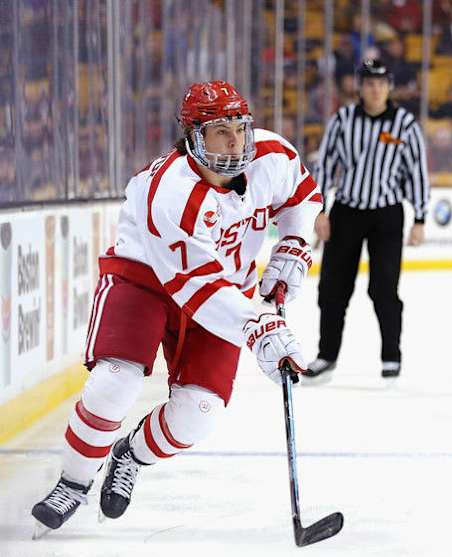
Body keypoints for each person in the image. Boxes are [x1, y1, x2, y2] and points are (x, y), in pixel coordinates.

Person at [31, 80, 322, 533]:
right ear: (192, 137)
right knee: (116, 382)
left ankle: (129, 454)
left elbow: (301, 198)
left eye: (240, 129)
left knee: (198, 415)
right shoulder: (169, 192)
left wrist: (292, 247)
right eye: (219, 132)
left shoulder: (273, 156)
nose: (235, 142)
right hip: (144, 279)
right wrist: (259, 326)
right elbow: (196, 287)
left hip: (223, 288)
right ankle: (73, 481)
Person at [304, 59, 429, 383]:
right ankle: (326, 356)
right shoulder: (343, 120)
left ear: (389, 87)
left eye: (381, 83)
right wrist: (320, 210)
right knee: (332, 288)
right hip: (346, 211)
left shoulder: (404, 124)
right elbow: (326, 164)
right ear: (360, 87)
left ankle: (391, 356)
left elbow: (417, 170)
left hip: (387, 215)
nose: (375, 89)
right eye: (369, 83)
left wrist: (420, 217)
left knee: (384, 289)